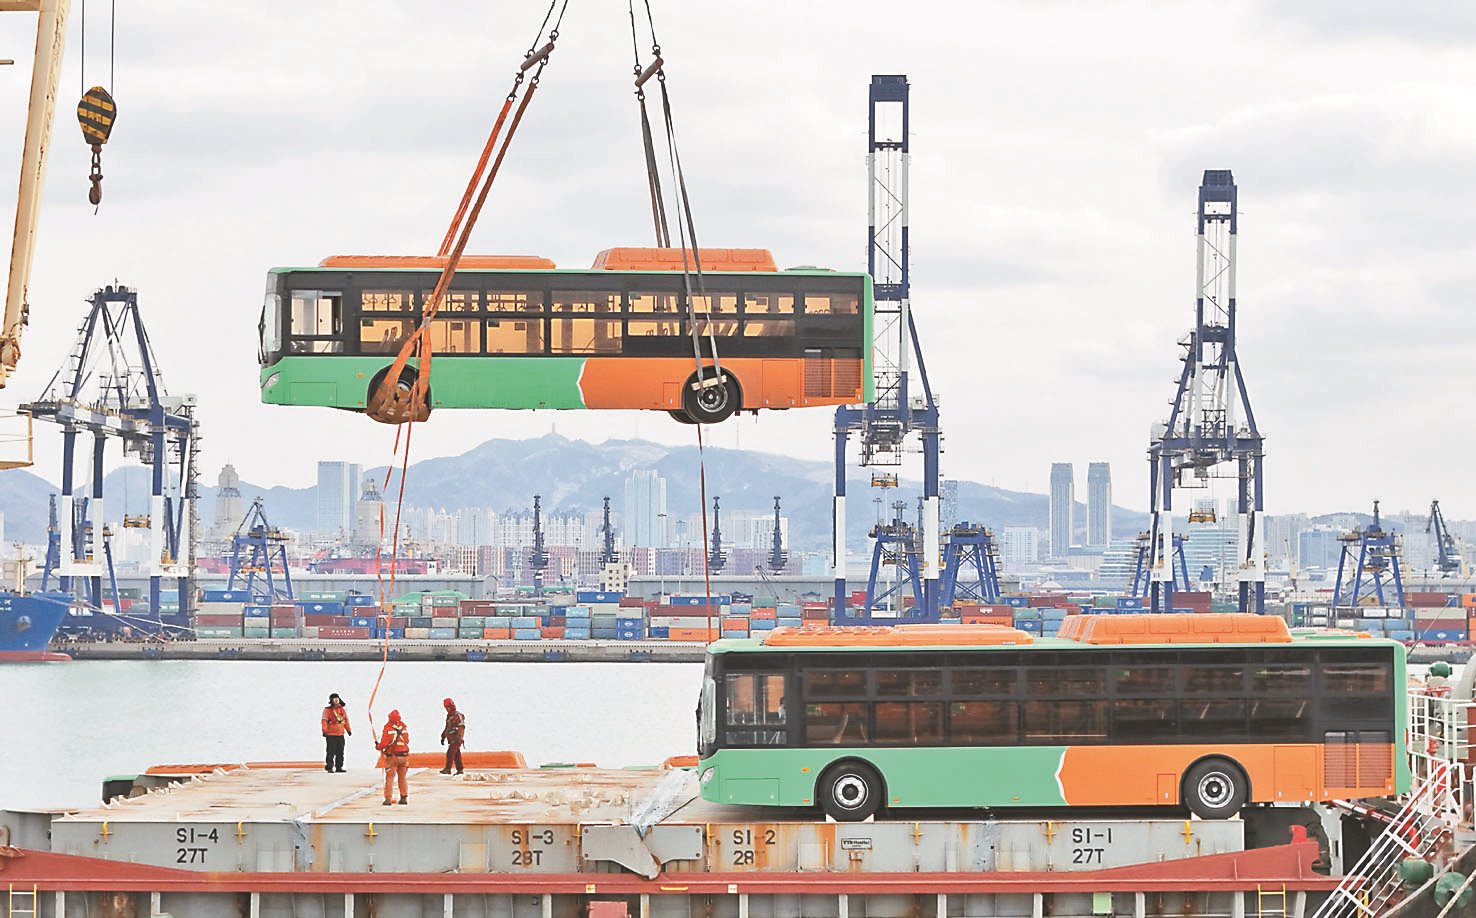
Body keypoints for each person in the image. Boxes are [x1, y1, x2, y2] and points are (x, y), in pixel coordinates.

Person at [376, 709, 411, 805]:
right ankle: (404, 797)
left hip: (393, 757)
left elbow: (384, 743)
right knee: (402, 778)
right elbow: (407, 741)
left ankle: (388, 799)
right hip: (404, 756)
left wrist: (378, 746)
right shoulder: (404, 728)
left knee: (390, 778)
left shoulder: (388, 729)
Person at [320, 693, 351, 773]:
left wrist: (348, 730)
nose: (336, 700)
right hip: (331, 735)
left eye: (337, 698)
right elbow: (324, 721)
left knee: (340, 752)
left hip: (340, 734)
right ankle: (329, 767)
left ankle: (339, 767)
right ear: (331, 700)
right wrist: (324, 730)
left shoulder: (342, 709)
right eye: (334, 698)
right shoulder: (327, 710)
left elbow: (345, 720)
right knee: (331, 751)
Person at [439, 697, 466, 774]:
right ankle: (460, 769)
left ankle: (448, 769)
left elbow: (461, 726)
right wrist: (443, 736)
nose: (448, 709)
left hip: (456, 739)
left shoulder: (458, 716)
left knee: (450, 752)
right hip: (451, 739)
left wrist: (459, 737)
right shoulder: (449, 716)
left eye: (448, 707)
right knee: (456, 754)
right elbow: (447, 727)